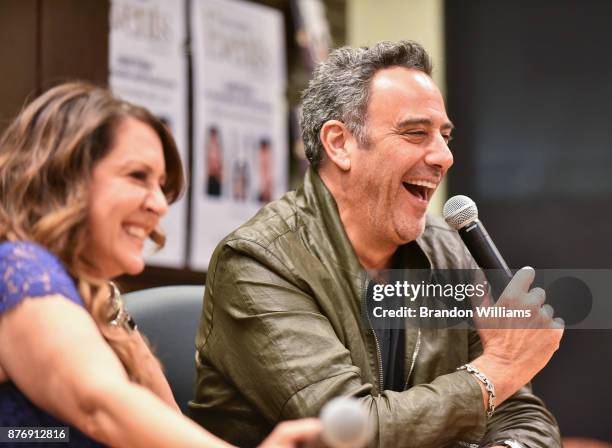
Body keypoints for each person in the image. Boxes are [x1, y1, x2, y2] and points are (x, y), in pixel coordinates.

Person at [190, 41, 564, 447]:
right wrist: (499, 369)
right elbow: (349, 432)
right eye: (416, 133)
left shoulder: (449, 250)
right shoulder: (258, 261)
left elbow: (520, 413)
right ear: (340, 143)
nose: (444, 156)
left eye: (445, 136)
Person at [0, 82, 320, 448]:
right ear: (63, 176)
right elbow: (101, 406)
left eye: (161, 185)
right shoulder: (17, 267)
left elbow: (163, 424)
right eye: (137, 176)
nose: (159, 204)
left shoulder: (97, 295)